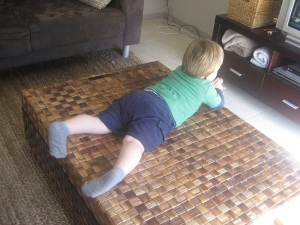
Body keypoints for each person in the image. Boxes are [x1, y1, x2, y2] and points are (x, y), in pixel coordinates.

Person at [48, 39, 225, 198]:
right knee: (134, 142)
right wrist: (216, 88)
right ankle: (117, 172)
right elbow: (217, 104)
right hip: (160, 114)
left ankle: (63, 127)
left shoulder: (179, 69)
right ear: (210, 75)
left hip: (140, 97)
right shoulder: (207, 87)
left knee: (100, 122)